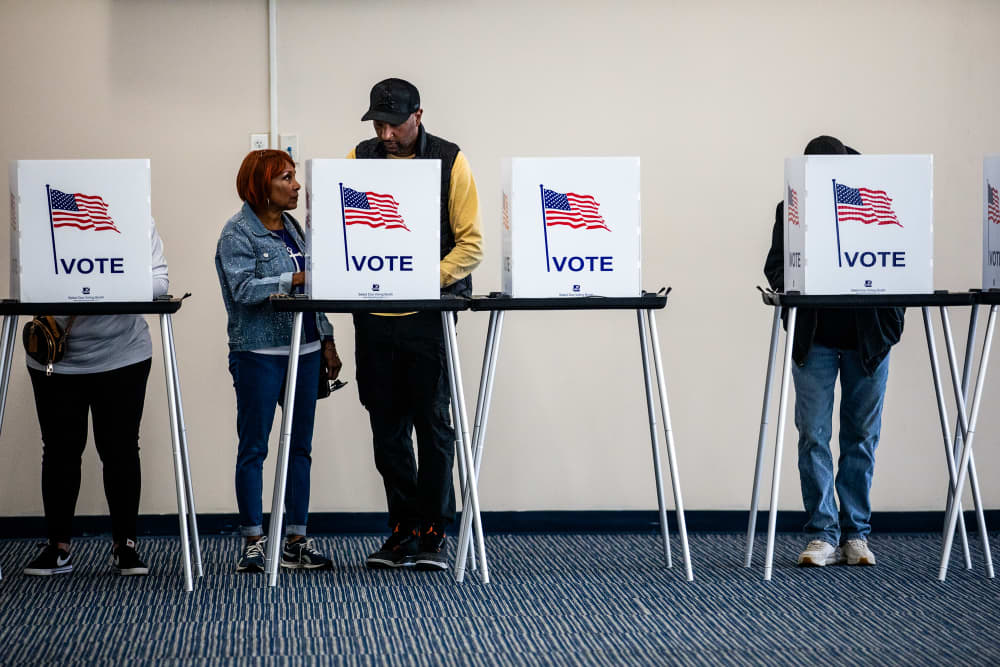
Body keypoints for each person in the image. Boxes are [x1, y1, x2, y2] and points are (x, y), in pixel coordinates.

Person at [349, 78, 483, 571]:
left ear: (418, 115)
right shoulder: (360, 158)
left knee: (433, 426)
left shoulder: (451, 159)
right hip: (374, 317)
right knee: (386, 429)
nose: (385, 134)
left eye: (393, 123)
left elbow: (471, 245)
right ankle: (401, 528)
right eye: (377, 124)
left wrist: (422, 278)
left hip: (429, 317)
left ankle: (433, 530)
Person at [764, 135, 904, 567]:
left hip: (869, 341)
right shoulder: (792, 208)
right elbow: (773, 266)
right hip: (815, 340)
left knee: (861, 438)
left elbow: (905, 261)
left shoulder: (877, 200)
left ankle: (856, 535)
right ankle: (823, 534)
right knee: (813, 437)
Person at [216, 149, 342, 573]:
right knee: (254, 447)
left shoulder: (294, 229)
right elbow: (244, 290)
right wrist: (293, 277)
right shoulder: (237, 234)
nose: (296, 185)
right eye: (286, 178)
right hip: (258, 353)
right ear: (261, 186)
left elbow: (316, 291)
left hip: (304, 351)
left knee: (300, 449)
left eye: (294, 177)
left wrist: (326, 339)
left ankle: (296, 540)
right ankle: (253, 541)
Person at [23, 220, 169, 577]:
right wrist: (109, 281)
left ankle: (126, 546)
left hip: (124, 354)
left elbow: (160, 284)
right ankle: (58, 548)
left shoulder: (137, 221)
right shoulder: (46, 224)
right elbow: (27, 282)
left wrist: (90, 282)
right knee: (59, 451)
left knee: (119, 449)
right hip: (56, 358)